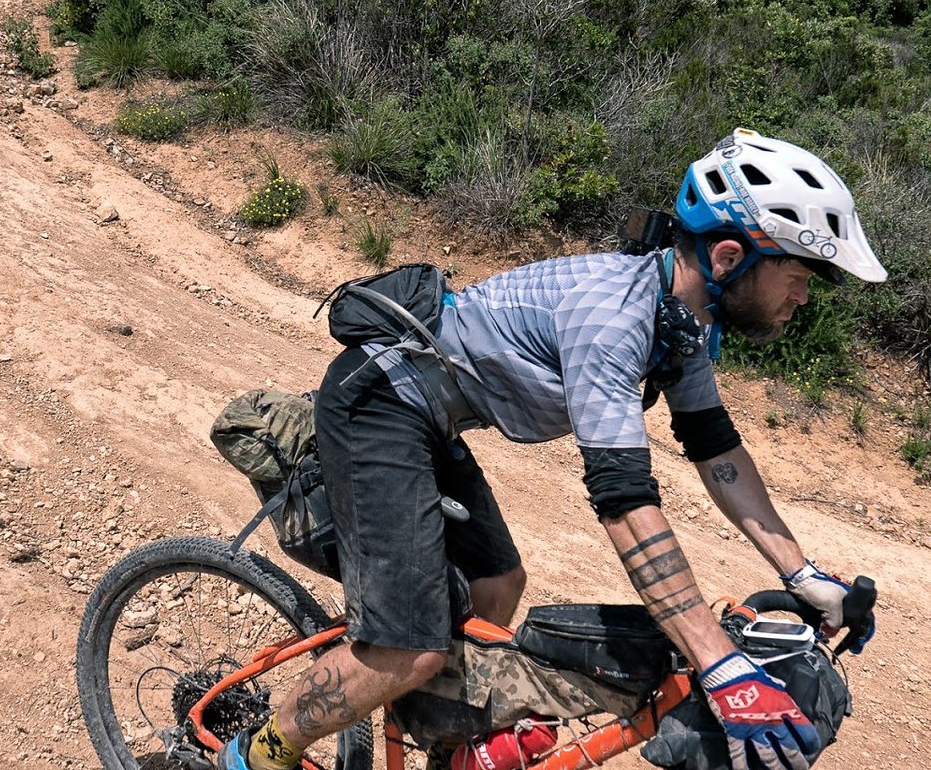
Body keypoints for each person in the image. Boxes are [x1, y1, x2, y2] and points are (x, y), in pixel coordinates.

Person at [216, 128, 886, 770]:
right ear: (729, 258)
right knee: (409, 646)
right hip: (378, 402)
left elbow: (718, 452)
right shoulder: (613, 319)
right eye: (801, 273)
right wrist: (718, 659)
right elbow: (624, 503)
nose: (805, 294)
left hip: (430, 414)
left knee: (497, 583)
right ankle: (254, 754)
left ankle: (439, 737)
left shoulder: (680, 325)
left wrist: (804, 575)